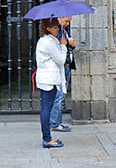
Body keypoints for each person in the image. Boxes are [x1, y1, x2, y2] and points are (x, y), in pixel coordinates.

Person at [35, 17, 67, 149]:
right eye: (55, 27)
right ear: (48, 28)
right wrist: (63, 46)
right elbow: (60, 60)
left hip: (47, 79)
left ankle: (48, 137)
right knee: (46, 109)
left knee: (46, 108)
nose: (57, 29)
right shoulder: (48, 42)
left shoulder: (46, 41)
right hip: (49, 80)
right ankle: (47, 139)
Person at [49, 16, 76, 134]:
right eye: (66, 21)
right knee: (58, 95)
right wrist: (67, 42)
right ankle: (55, 123)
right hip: (61, 66)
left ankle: (57, 122)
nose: (68, 24)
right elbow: (57, 48)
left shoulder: (63, 30)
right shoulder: (56, 32)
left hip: (66, 65)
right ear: (59, 19)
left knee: (61, 95)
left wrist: (72, 44)